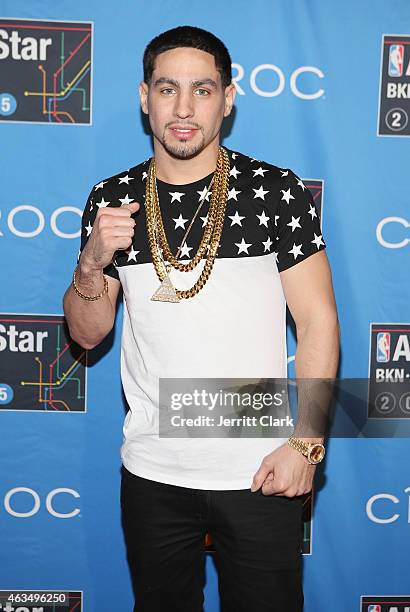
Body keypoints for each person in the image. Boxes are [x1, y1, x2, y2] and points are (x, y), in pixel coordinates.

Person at [63, 25, 340, 612]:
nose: (184, 108)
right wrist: (91, 262)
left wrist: (308, 444)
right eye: (168, 89)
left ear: (229, 98)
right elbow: (89, 335)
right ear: (144, 97)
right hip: (153, 472)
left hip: (261, 469)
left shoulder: (275, 193)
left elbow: (317, 322)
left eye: (202, 89)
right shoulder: (113, 201)